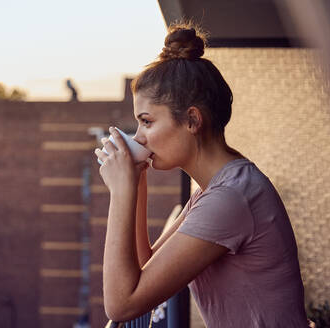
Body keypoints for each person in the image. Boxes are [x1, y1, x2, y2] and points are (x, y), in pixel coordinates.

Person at [94, 23, 310, 327]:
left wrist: (119, 194)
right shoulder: (215, 190)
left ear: (192, 120)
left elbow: (121, 305)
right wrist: (137, 184)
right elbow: (148, 268)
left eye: (147, 122)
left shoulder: (230, 198)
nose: (139, 137)